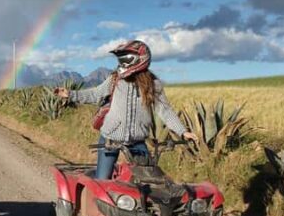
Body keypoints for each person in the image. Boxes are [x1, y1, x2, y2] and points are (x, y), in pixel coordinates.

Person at [55, 40, 198, 179]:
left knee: (147, 179)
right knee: (103, 180)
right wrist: (71, 94)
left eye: (126, 58)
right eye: (120, 59)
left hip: (137, 141)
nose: (122, 63)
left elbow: (165, 110)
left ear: (140, 59)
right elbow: (95, 94)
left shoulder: (154, 84)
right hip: (110, 138)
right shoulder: (115, 79)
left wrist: (183, 131)